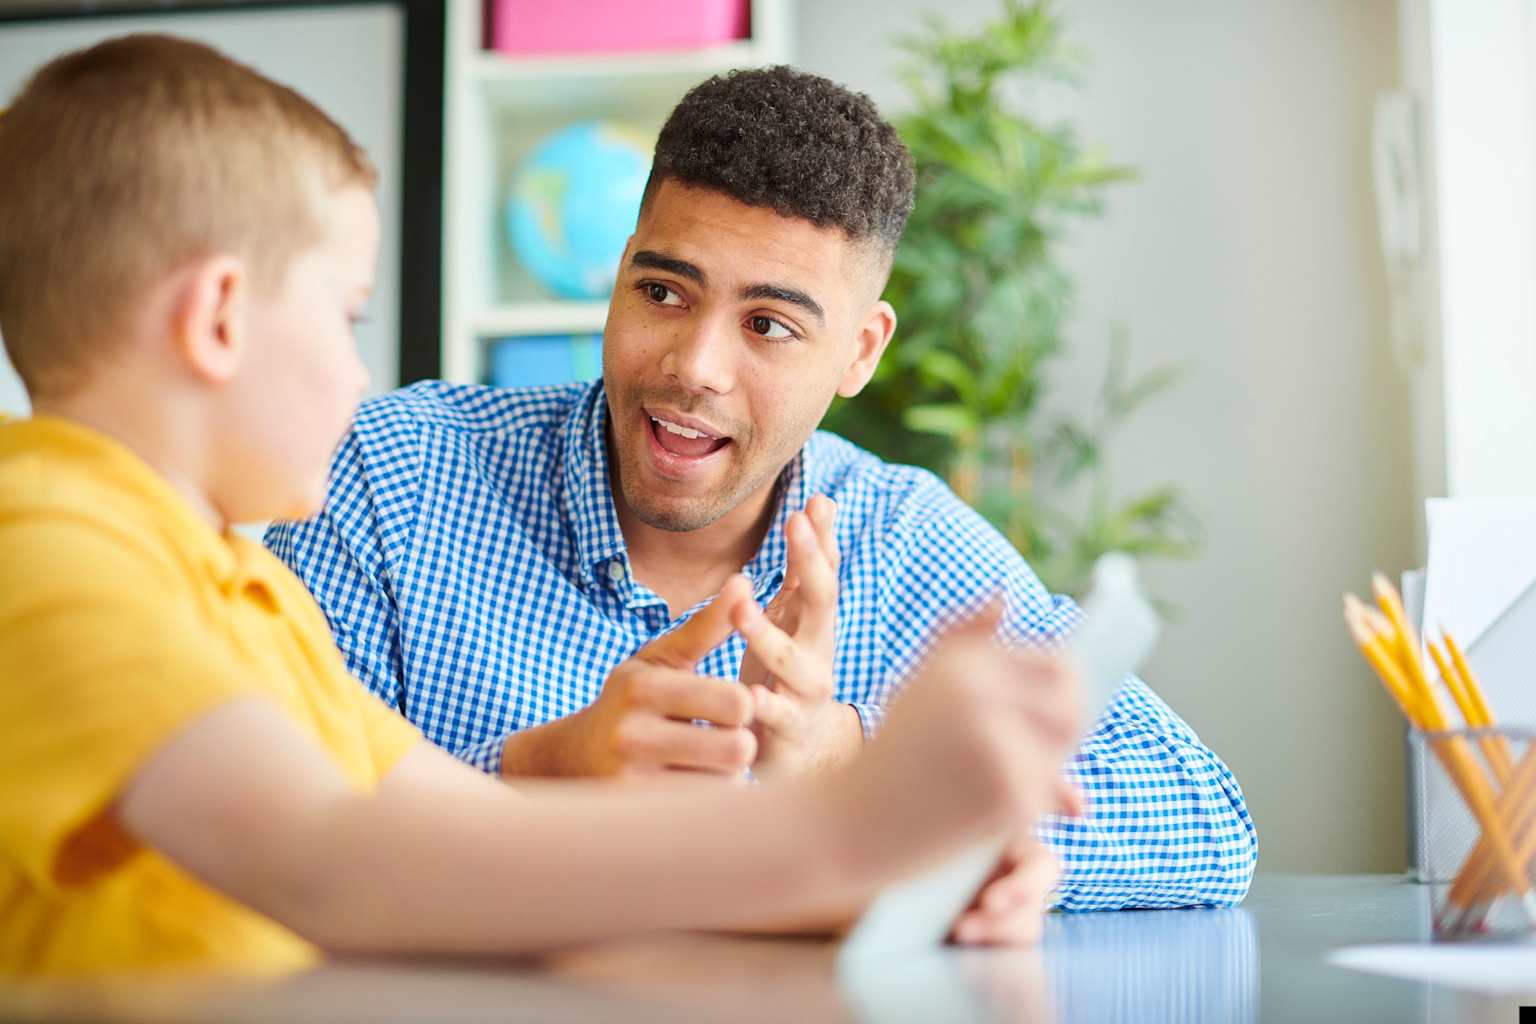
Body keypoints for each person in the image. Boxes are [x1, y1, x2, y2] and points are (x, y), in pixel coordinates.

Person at [0, 35, 1082, 976]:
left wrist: (906, 876)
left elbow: (469, 838)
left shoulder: (228, 593)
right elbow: (340, 868)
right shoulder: (48, 554)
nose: (357, 373)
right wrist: (848, 829)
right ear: (220, 319)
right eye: (348, 315)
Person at [267, 66, 1257, 917]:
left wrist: (864, 778)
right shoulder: (391, 476)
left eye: (770, 325)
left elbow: (1206, 816)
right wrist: (542, 771)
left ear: (859, 353)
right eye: (663, 292)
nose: (694, 366)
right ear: (617, 276)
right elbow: (258, 805)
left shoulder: (905, 540)